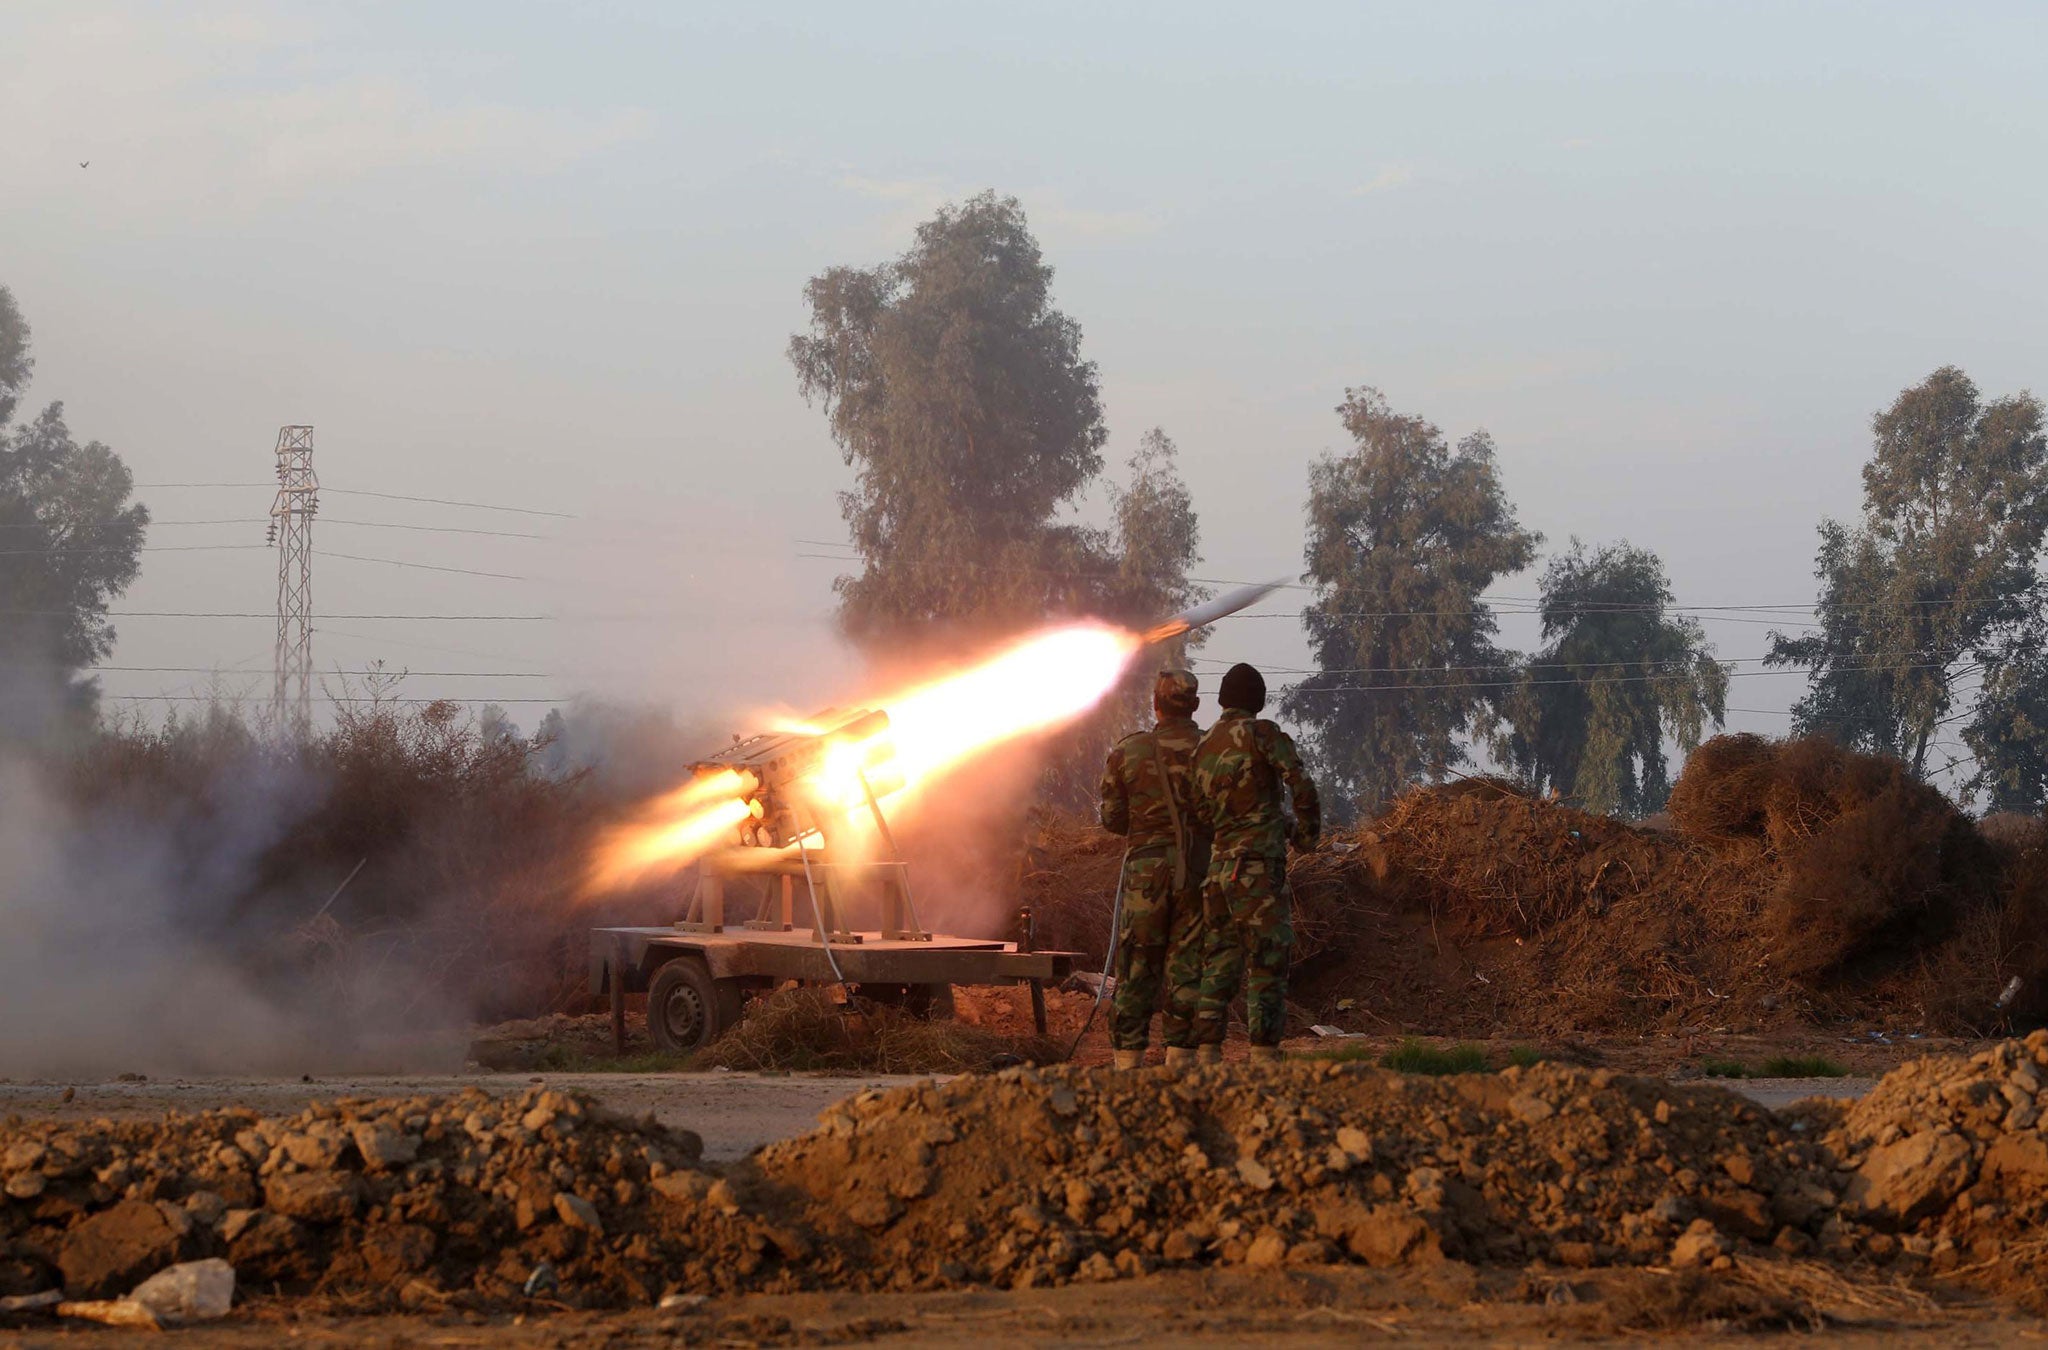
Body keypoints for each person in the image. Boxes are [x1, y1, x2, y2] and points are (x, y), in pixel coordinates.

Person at [1191, 663, 1320, 1066]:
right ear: (1259, 701)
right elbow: (1300, 783)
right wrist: (1306, 835)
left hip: (1218, 874)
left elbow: (1198, 812)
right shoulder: (1263, 734)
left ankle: (1206, 1054)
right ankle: (1263, 1056)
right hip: (1258, 873)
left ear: (1222, 699)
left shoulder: (1204, 746)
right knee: (1266, 962)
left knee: (1219, 963)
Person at [1097, 669, 1211, 1070]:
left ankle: (1127, 1062)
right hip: (1197, 871)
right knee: (1188, 966)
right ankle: (1181, 1060)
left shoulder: (1130, 751)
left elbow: (1112, 819)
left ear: (1156, 704)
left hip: (1145, 874)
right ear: (1195, 705)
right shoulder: (1212, 750)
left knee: (1137, 966)